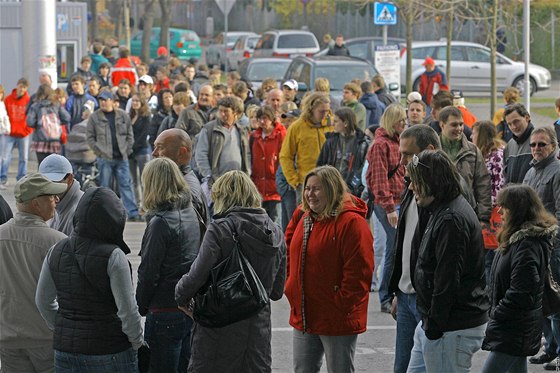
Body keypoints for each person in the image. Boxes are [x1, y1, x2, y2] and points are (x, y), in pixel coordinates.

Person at [175, 170, 286, 372]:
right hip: (257, 336)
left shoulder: (220, 229)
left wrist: (180, 293)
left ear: (222, 197)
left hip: (219, 330)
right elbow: (277, 291)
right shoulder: (276, 232)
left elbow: (196, 276)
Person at [35, 187, 143, 372]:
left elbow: (43, 301)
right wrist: (137, 341)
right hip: (110, 350)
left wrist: (63, 327)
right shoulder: (114, 256)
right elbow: (128, 310)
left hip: (65, 352)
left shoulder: (56, 250)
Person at [406, 150, 489, 373]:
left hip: (450, 327)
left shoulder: (451, 218)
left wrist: (434, 326)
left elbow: (447, 279)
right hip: (437, 323)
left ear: (432, 182)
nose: (411, 187)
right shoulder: (441, 208)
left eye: (415, 181)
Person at [284, 165, 374, 373]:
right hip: (305, 315)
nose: (309, 194)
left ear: (331, 189)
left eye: (317, 189)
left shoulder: (351, 223)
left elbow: (359, 272)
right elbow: (289, 249)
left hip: (337, 318)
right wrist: (291, 284)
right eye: (308, 188)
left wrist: (340, 304)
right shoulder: (303, 216)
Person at [481, 184, 557, 373]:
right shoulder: (517, 239)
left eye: (504, 207)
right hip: (515, 327)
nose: (499, 211)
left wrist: (496, 313)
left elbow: (522, 292)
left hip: (514, 329)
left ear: (517, 210)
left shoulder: (526, 245)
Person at [136, 158, 202, 372]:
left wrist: (141, 305)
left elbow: (148, 272)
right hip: (188, 306)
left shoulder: (159, 222)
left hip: (163, 309)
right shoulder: (191, 212)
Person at [386, 125, 440, 373]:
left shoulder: (443, 194)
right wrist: (398, 289)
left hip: (427, 300)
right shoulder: (411, 186)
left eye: (408, 154)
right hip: (406, 297)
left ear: (429, 151)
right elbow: (404, 243)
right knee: (402, 367)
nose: (402, 161)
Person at [0, 174, 67, 372]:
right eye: (51, 196)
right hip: (46, 339)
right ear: (36, 203)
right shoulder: (58, 242)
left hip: (7, 337)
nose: (56, 200)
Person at [522, 126, 560, 371]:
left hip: (553, 248)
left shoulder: (557, 172)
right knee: (542, 304)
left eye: (542, 144)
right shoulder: (530, 172)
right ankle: (551, 350)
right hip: (532, 247)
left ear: (553, 147)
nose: (536, 149)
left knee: (556, 306)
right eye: (533, 145)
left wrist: (553, 245)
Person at [366, 103, 406, 313]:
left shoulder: (399, 142)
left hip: (401, 200)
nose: (404, 123)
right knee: (393, 248)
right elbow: (379, 181)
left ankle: (392, 293)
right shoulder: (380, 145)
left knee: (397, 247)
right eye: (401, 120)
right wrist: (390, 208)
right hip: (388, 203)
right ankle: (385, 296)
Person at [86, 90, 141, 221]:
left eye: (105, 100)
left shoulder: (123, 115)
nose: (103, 103)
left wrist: (127, 150)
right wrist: (99, 151)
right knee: (105, 187)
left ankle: (133, 213)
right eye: (101, 100)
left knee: (126, 185)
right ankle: (106, 213)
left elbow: (130, 135)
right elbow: (90, 137)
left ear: (112, 101)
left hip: (122, 157)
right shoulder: (94, 117)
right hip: (105, 158)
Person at [438, 106, 491, 223]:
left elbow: (483, 183)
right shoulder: (433, 150)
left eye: (461, 124)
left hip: (467, 214)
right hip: (439, 214)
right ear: (442, 125)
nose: (459, 128)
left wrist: (483, 217)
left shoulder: (473, 150)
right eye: (454, 125)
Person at [279, 92, 333, 203]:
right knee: (306, 218)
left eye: (327, 111)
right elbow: (285, 156)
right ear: (311, 110)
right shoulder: (297, 127)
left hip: (329, 182)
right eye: (321, 111)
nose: (325, 114)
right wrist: (295, 180)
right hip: (306, 183)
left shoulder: (331, 125)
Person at [195, 96, 250, 200]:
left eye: (226, 111)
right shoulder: (209, 129)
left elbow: (247, 154)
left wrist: (247, 173)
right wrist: (209, 176)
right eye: (220, 111)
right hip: (217, 182)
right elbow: (201, 155)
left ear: (235, 113)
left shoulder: (242, 130)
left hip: (238, 183)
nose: (222, 114)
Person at [471, 121, 506, 283]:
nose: (471, 136)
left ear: (482, 135)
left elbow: (499, 189)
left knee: (490, 262)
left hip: (493, 216)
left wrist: (479, 204)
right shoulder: (484, 154)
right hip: (486, 213)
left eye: (474, 133)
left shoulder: (496, 156)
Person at [317, 107, 368, 197]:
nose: (332, 124)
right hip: (331, 190)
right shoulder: (330, 142)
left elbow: (363, 169)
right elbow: (320, 166)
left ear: (345, 123)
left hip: (352, 192)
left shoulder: (362, 144)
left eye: (336, 121)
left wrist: (352, 187)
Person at [250, 105, 286, 224]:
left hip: (275, 187)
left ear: (272, 119)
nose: (262, 121)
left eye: (265, 118)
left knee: (275, 221)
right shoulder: (254, 137)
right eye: (260, 118)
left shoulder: (281, 135)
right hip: (258, 186)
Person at [38, 154, 84, 236]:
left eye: (54, 182)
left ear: (69, 179)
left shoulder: (78, 212)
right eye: (45, 183)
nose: (49, 188)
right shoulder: (60, 201)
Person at [26, 84, 72, 165]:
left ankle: (42, 178)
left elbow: (30, 122)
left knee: (42, 166)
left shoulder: (35, 106)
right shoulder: (56, 105)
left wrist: (38, 124)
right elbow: (67, 118)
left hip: (39, 140)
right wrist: (58, 123)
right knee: (53, 166)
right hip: (54, 140)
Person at [1, 78, 32, 188]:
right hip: (9, 133)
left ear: (26, 88)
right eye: (20, 86)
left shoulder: (29, 100)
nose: (22, 89)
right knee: (5, 157)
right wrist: (5, 129)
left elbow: (32, 116)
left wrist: (28, 130)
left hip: (23, 134)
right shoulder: (8, 99)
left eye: (24, 87)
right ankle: (3, 178)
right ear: (17, 86)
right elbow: (3, 115)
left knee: (24, 157)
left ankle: (21, 179)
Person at [128, 93, 151, 206]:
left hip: (142, 150)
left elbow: (144, 135)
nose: (135, 103)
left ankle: (146, 204)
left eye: (137, 101)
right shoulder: (130, 116)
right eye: (133, 101)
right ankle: (138, 204)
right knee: (134, 180)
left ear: (142, 102)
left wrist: (133, 147)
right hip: (131, 153)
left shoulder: (146, 116)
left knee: (144, 180)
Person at [503, 103, 534, 184]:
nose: (513, 127)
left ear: (527, 118)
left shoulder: (539, 141)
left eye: (516, 122)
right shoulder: (509, 145)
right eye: (509, 124)